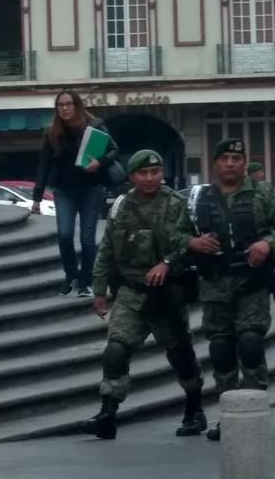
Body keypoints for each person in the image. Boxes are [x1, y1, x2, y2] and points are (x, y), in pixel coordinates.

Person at [174, 137, 275, 441]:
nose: (230, 163)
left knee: (251, 344)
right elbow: (175, 234)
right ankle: (228, 413)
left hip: (252, 282)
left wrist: (267, 243)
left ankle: (254, 409)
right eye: (225, 157)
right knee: (222, 350)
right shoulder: (198, 197)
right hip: (214, 284)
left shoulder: (262, 193)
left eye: (236, 159)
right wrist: (193, 242)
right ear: (215, 163)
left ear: (244, 163)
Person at [84, 150, 205, 441]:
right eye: (143, 173)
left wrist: (167, 263)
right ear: (132, 177)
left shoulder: (176, 204)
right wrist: (99, 290)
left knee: (181, 354)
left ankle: (194, 407)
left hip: (167, 294)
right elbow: (107, 251)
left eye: (155, 172)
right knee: (115, 351)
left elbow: (188, 244)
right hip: (132, 292)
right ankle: (108, 412)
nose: (150, 178)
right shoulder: (121, 206)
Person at [32, 90, 119, 297]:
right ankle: (71, 275)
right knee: (64, 234)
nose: (64, 108)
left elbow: (114, 149)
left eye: (69, 103)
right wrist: (36, 197)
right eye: (60, 105)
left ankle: (85, 281)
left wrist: (100, 162)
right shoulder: (51, 133)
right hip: (64, 191)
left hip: (91, 190)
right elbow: (43, 166)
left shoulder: (95, 126)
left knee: (88, 239)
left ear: (77, 105)